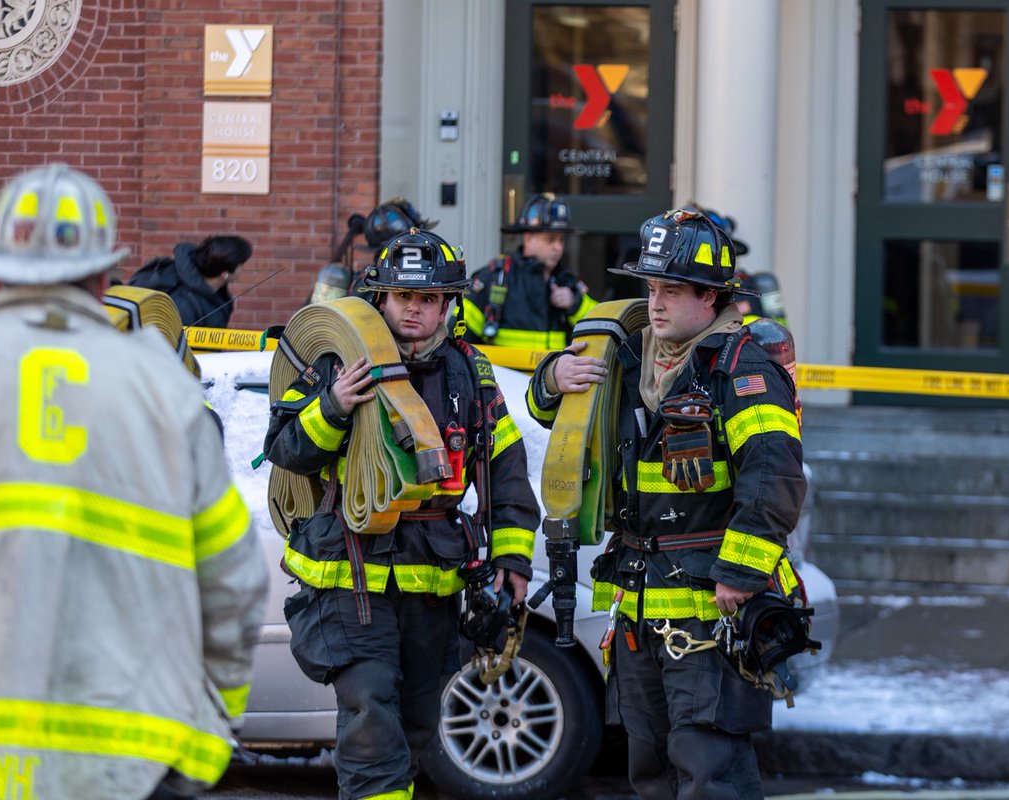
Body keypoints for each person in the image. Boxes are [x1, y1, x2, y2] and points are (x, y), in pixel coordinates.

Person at [0, 163, 268, 800]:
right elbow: (235, 581)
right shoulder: (164, 389)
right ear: (103, 277)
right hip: (132, 765)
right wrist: (208, 732)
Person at [527, 209, 808, 800]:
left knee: (710, 768)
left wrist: (741, 574)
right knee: (650, 769)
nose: (655, 303)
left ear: (711, 296)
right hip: (638, 602)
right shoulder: (631, 357)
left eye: (671, 290)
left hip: (710, 607)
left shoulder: (742, 370)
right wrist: (553, 377)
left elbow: (774, 478)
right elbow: (557, 416)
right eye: (650, 288)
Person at [264, 227, 539, 800]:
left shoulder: (469, 373)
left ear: (447, 305)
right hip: (350, 573)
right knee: (369, 711)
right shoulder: (340, 360)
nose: (413, 310)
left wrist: (512, 556)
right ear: (380, 299)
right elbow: (286, 449)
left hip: (432, 579)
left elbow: (505, 467)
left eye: (428, 299)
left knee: (415, 721)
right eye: (402, 297)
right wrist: (334, 405)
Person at [462, 192, 597, 348]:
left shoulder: (567, 281)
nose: (558, 247)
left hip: (555, 373)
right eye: (550, 240)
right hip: (502, 373)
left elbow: (599, 327)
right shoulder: (493, 278)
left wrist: (575, 304)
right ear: (527, 238)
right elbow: (458, 340)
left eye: (561, 240)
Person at [128, 233, 252, 328]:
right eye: (241, 264)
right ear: (224, 274)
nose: (243, 268)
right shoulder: (183, 305)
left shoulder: (218, 293)